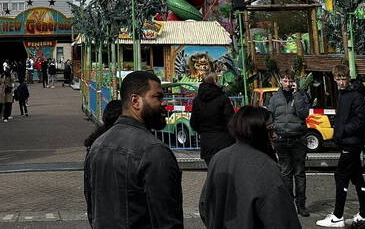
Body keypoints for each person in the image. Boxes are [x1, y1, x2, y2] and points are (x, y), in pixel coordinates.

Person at [84, 70, 183, 228]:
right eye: (157, 97)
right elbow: (167, 220)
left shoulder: (97, 145)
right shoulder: (154, 151)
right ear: (135, 101)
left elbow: (92, 210)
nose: (164, 103)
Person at [199, 105, 300, 229]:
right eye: (270, 130)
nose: (275, 136)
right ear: (258, 132)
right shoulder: (267, 168)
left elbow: (205, 206)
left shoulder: (218, 159)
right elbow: (282, 220)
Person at [317, 65, 365, 227]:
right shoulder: (343, 94)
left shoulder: (355, 95)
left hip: (351, 142)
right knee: (357, 178)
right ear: (334, 79)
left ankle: (338, 216)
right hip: (349, 142)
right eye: (338, 79)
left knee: (341, 177)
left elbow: (361, 120)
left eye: (343, 78)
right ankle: (364, 214)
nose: (340, 82)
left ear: (348, 78)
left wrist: (342, 131)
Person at [268, 69, 311, 216]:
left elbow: (303, 114)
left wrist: (297, 94)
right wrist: (273, 133)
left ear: (294, 81)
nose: (287, 83)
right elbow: (270, 116)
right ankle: (288, 205)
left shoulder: (301, 95)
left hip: (298, 138)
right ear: (280, 80)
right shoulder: (275, 97)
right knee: (286, 173)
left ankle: (301, 205)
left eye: (290, 81)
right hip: (281, 139)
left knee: (299, 173)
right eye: (285, 80)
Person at [190, 73, 235, 166]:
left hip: (207, 143)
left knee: (213, 172)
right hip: (224, 141)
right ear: (215, 82)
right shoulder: (223, 98)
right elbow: (231, 120)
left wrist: (204, 131)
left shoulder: (197, 100)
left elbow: (193, 122)